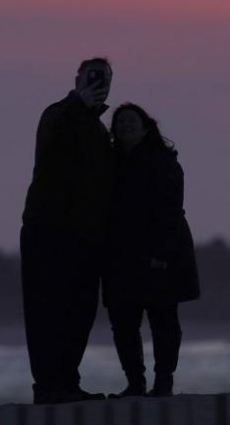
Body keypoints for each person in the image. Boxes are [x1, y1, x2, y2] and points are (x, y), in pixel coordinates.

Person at [20, 57, 115, 404]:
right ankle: (49, 386)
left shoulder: (99, 130)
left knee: (80, 312)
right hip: (49, 230)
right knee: (47, 311)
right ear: (77, 80)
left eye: (103, 78)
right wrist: (78, 104)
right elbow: (54, 141)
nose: (97, 83)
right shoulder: (58, 114)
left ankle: (66, 382)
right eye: (91, 77)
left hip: (86, 235)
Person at [103, 103, 200, 398]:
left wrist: (162, 253)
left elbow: (171, 212)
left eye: (131, 121)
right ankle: (135, 382)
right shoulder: (107, 164)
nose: (125, 126)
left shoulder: (164, 163)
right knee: (123, 323)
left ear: (146, 127)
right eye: (120, 122)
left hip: (161, 254)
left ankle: (163, 382)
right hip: (120, 255)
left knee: (163, 320)